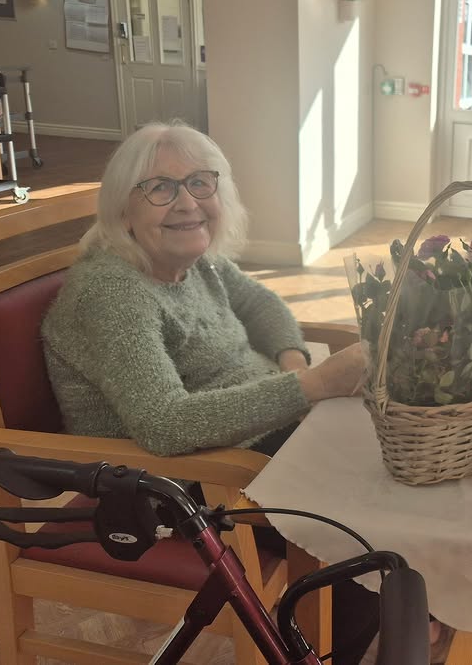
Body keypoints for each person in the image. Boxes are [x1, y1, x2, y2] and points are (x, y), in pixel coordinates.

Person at [41, 122, 376, 664]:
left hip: (246, 445)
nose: (187, 202)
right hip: (175, 482)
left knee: (382, 463)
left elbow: (265, 307)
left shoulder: (198, 265)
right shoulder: (111, 292)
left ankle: (403, 607)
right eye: (160, 188)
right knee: (357, 529)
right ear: (123, 210)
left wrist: (291, 360)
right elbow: (165, 424)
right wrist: (310, 384)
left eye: (200, 183)